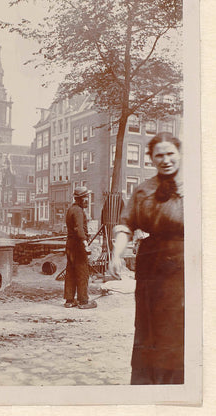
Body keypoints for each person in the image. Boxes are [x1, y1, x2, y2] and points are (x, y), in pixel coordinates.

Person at [109, 132, 184, 385]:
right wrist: (117, 254)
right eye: (159, 155)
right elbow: (125, 224)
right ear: (151, 158)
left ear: (179, 154)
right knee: (149, 325)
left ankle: (179, 386)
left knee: (178, 325)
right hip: (151, 268)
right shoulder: (143, 190)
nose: (165, 160)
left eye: (170, 153)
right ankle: (148, 385)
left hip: (185, 265)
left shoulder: (198, 187)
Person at [64, 186, 98, 309]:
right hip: (78, 245)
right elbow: (79, 229)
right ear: (81, 199)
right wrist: (85, 244)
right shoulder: (78, 211)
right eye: (86, 198)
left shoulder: (71, 209)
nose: (87, 201)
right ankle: (83, 301)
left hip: (70, 244)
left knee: (71, 272)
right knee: (82, 272)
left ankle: (69, 300)